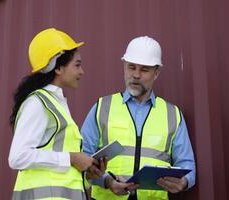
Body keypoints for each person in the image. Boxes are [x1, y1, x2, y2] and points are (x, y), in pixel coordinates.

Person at [81, 36, 196, 200]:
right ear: (124, 67)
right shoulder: (102, 107)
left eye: (144, 70)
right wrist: (107, 181)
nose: (135, 75)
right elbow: (82, 158)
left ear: (156, 73)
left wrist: (184, 182)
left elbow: (187, 164)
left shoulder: (172, 114)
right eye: (131, 67)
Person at [8, 28, 104, 200]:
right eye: (77, 65)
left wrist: (88, 174)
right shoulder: (37, 103)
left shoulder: (55, 104)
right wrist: (72, 158)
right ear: (58, 67)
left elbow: (60, 176)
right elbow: (18, 157)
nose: (82, 72)